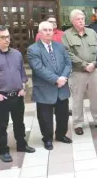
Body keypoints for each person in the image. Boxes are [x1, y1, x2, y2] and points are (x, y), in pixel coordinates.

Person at [0, 25, 35, 162]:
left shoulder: (16, 53)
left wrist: (23, 88)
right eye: (3, 37)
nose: (7, 40)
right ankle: (3, 150)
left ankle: (22, 145)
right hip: (1, 97)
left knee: (19, 122)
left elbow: (22, 74)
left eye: (8, 37)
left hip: (17, 96)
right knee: (2, 124)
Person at [27, 21, 72, 150]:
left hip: (62, 88)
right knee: (45, 118)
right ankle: (47, 138)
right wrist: (56, 79)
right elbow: (38, 68)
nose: (48, 32)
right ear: (39, 33)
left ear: (53, 32)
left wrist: (63, 77)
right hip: (45, 89)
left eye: (50, 30)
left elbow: (68, 63)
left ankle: (61, 135)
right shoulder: (33, 49)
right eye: (45, 30)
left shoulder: (60, 47)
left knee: (63, 115)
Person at [62, 9, 97, 135]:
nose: (81, 21)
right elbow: (67, 53)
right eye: (77, 19)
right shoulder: (67, 35)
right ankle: (78, 123)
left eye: (82, 18)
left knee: (95, 98)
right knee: (77, 99)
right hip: (77, 72)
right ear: (72, 21)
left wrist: (95, 64)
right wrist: (84, 65)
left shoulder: (92, 32)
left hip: (93, 71)